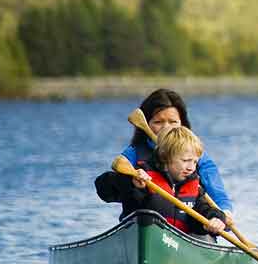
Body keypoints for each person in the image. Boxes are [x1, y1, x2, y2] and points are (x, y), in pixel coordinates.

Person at [120, 87, 234, 226]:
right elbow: (110, 189)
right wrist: (131, 181)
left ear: (182, 124)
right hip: (144, 225)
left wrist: (223, 215)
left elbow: (217, 195)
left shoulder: (198, 157)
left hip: (190, 229)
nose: (166, 128)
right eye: (158, 122)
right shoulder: (134, 154)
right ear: (147, 125)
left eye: (173, 122)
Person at [95, 126, 228, 238]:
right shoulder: (144, 177)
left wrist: (214, 220)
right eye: (186, 160)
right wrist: (130, 181)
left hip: (178, 246)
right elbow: (103, 188)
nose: (191, 167)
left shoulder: (193, 186)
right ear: (165, 157)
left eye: (194, 162)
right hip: (142, 238)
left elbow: (204, 210)